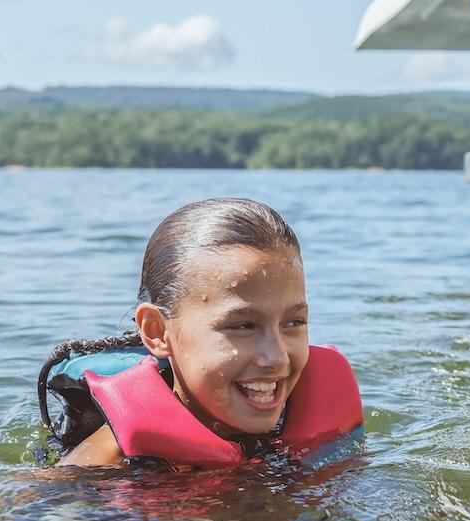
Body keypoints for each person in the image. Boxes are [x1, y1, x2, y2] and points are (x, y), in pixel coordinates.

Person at [39, 197, 363, 468]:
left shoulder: (325, 428)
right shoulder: (97, 470)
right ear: (157, 331)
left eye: (293, 323)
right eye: (242, 326)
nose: (276, 357)